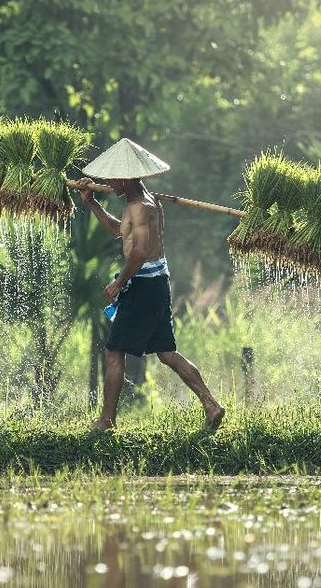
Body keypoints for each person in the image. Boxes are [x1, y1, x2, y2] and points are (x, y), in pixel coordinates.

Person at [75, 168, 225, 432]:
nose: (108, 183)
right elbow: (116, 230)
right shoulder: (148, 201)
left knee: (113, 352)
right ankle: (211, 405)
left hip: (144, 285)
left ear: (125, 177)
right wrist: (91, 201)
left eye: (112, 178)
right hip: (156, 283)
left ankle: (106, 421)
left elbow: (140, 251)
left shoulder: (141, 206)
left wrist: (117, 283)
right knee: (166, 353)